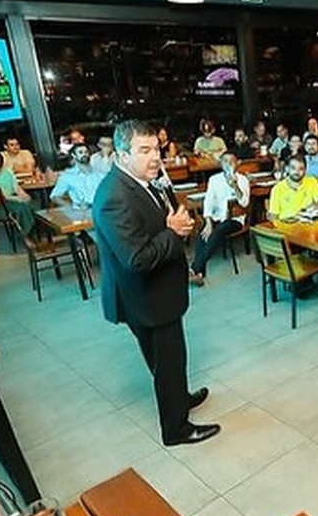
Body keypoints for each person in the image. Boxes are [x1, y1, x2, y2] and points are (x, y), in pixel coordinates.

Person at [92, 120, 218, 447]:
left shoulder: (144, 180)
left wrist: (178, 222)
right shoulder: (114, 196)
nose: (154, 158)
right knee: (168, 360)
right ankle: (176, 429)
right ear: (121, 155)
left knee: (167, 361)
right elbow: (136, 260)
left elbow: (162, 216)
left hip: (157, 292)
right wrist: (172, 232)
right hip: (144, 297)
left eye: (157, 149)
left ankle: (178, 397)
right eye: (144, 150)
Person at [187, 152, 250, 286]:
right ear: (221, 164)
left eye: (231, 161)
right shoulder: (214, 180)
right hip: (216, 217)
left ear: (237, 163)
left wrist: (235, 186)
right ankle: (199, 274)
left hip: (235, 219)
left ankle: (194, 268)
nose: (228, 164)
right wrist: (208, 223)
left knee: (219, 230)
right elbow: (208, 202)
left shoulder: (243, 180)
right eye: (225, 161)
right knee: (202, 234)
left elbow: (244, 203)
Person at [267, 156, 318, 221]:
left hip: (308, 224)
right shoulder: (277, 189)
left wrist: (308, 210)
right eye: (293, 168)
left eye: (301, 169)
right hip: (287, 226)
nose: (297, 172)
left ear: (305, 170)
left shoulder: (311, 182)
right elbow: (273, 216)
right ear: (287, 169)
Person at [50, 143, 104, 209]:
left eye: (86, 152)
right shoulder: (67, 176)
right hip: (82, 212)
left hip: (102, 209)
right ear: (74, 155)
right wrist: (71, 207)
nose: (84, 154)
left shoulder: (100, 173)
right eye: (80, 152)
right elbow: (54, 196)